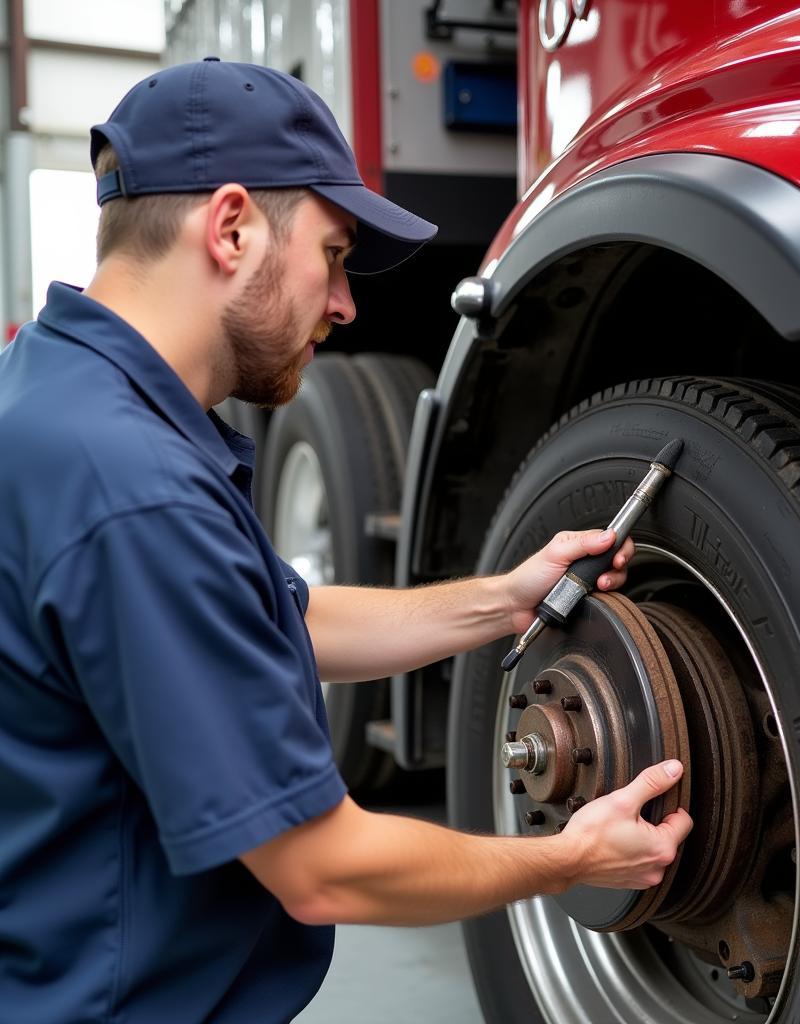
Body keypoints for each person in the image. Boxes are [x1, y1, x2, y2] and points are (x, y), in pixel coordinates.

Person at [0, 59, 693, 1022]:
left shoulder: (57, 396)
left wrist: (506, 598)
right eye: (332, 255)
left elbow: (278, 616)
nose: (347, 304)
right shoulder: (136, 488)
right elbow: (323, 870)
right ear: (231, 226)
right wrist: (574, 858)